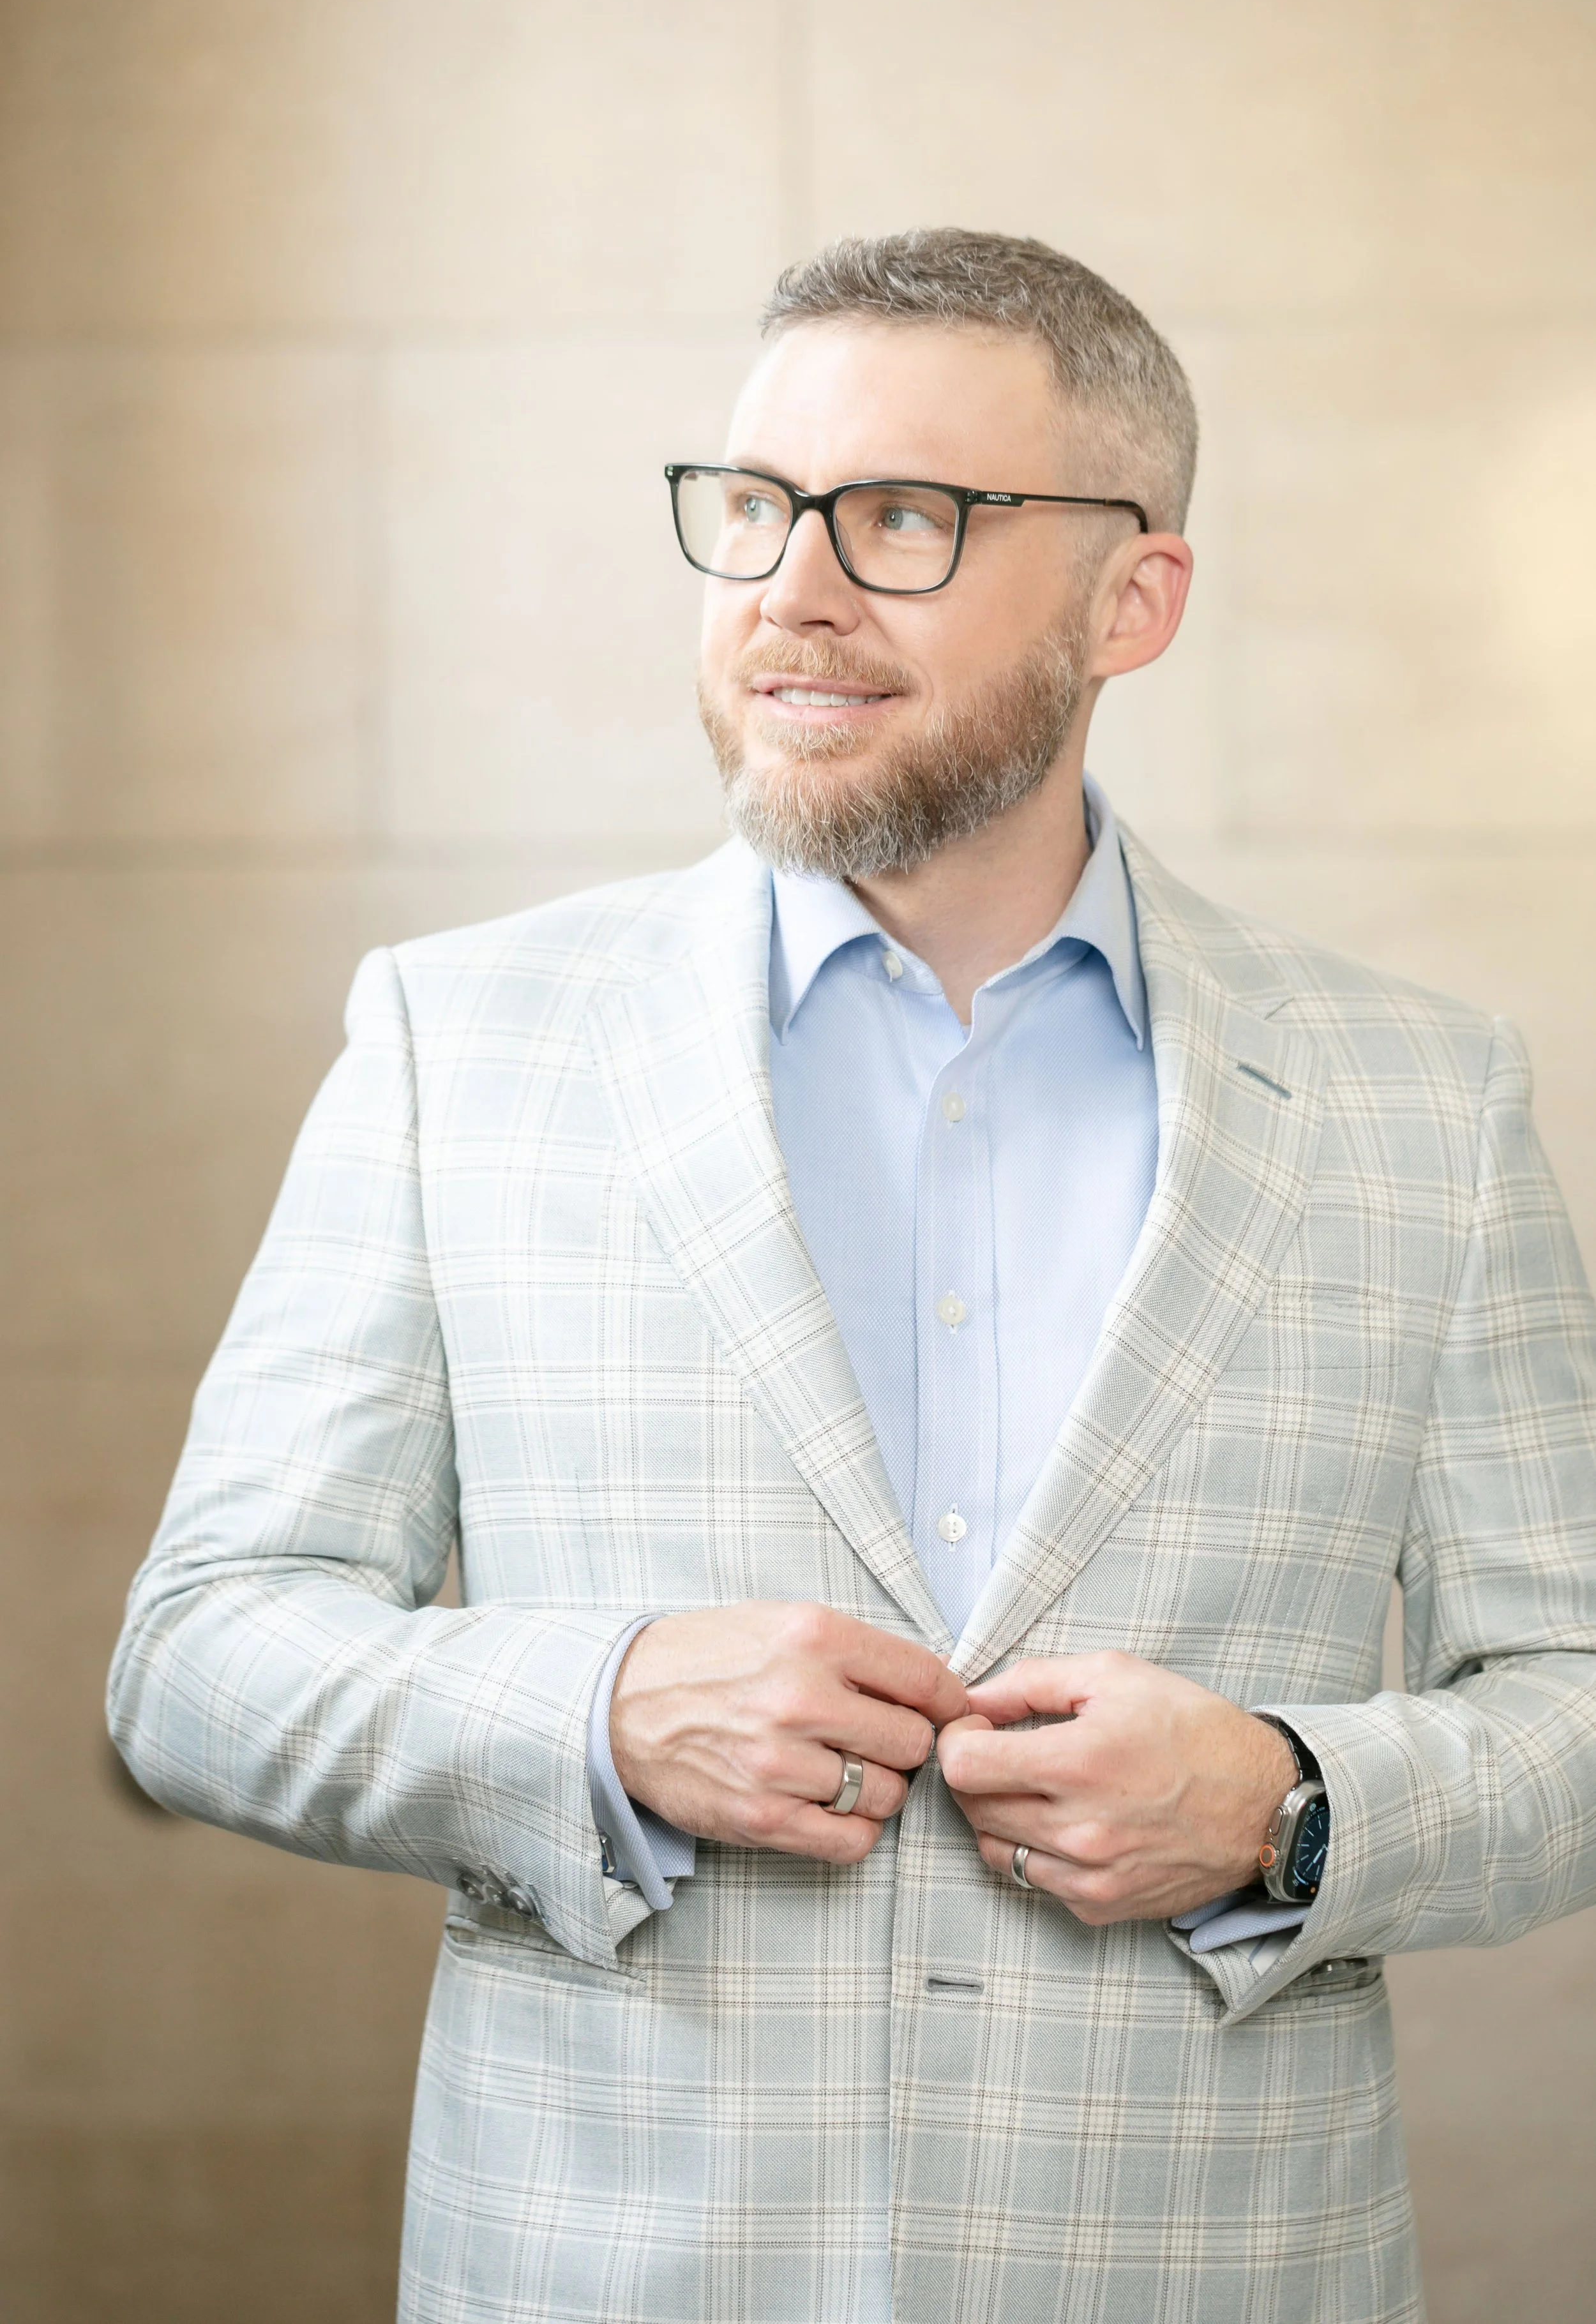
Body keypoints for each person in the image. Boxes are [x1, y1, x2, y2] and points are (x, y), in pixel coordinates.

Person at [109, 229, 1596, 2324]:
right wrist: (600, 1708)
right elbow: (193, 1660)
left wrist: (1287, 1801)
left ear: (1132, 595)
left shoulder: (1416, 1100)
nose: (788, 590)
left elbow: (1572, 1693)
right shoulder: (464, 1043)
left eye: (903, 517)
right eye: (750, 509)